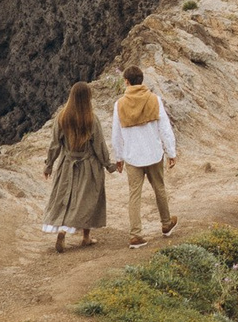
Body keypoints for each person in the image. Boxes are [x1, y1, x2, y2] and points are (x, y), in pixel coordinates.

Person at [110, 64, 179, 245]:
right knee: (159, 189)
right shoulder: (154, 100)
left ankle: (135, 235)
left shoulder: (119, 105)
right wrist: (171, 152)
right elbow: (165, 129)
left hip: (132, 156)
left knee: (134, 194)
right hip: (154, 153)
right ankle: (166, 223)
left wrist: (119, 158)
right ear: (141, 81)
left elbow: (116, 135)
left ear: (126, 82)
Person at [40, 81, 109, 252]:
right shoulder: (91, 118)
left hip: (66, 164)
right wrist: (108, 164)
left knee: (66, 198)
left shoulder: (62, 117)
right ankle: (85, 236)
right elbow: (99, 145)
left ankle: (64, 231)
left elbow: (55, 144)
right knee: (87, 200)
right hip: (88, 165)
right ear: (88, 98)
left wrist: (49, 165)